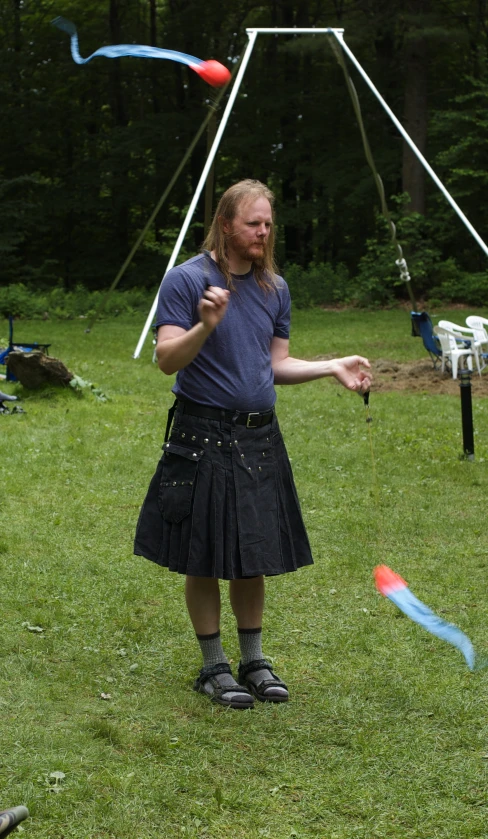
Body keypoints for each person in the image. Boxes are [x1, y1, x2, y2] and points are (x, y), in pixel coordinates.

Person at [134, 179, 371, 710]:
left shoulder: (273, 288)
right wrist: (205, 323)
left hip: (258, 436)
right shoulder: (186, 280)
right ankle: (213, 665)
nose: (263, 232)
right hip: (202, 434)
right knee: (203, 555)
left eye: (268, 224)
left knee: (252, 554)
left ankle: (254, 659)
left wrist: (330, 366)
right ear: (225, 224)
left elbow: (274, 364)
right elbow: (167, 358)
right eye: (253, 224)